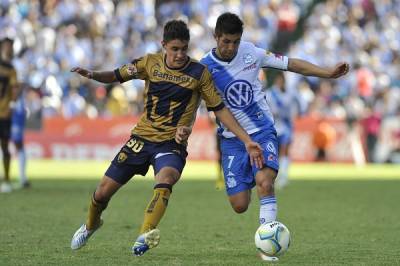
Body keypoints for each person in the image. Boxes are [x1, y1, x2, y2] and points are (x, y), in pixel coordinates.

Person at [69, 20, 264, 256]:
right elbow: (115, 75)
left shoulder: (199, 73)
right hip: (141, 139)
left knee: (167, 178)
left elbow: (220, 108)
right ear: (164, 45)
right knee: (102, 193)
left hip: (172, 143)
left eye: (184, 48)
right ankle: (91, 224)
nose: (180, 54)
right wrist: (91, 74)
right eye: (175, 49)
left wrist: (245, 139)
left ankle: (145, 233)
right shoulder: (148, 63)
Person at [177, 13, 349, 261]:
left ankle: (266, 248)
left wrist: (327, 73)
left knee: (265, 183)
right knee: (239, 205)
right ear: (216, 37)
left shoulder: (252, 53)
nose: (230, 47)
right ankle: (251, 186)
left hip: (262, 130)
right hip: (232, 140)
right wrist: (185, 127)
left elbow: (292, 64)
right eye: (225, 41)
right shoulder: (205, 67)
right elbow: (193, 103)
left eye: (235, 42)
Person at [264, 72, 306, 189]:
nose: (281, 81)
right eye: (279, 79)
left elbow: (301, 103)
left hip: (286, 125)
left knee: (285, 150)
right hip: (273, 126)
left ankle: (284, 177)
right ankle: (274, 176)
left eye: (282, 79)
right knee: (273, 153)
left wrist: (300, 112)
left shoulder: (291, 92)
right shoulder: (270, 93)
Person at [0, 38, 18, 193]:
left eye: (10, 46)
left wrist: (11, 106)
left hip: (4, 112)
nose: (8, 49)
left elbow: (14, 89)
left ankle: (6, 179)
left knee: (5, 145)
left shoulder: (11, 68)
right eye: (6, 46)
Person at [11, 83, 30, 188]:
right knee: (20, 148)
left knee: (20, 147)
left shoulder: (18, 97)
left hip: (16, 123)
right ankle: (22, 178)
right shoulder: (15, 96)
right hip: (15, 123)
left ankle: (22, 178)